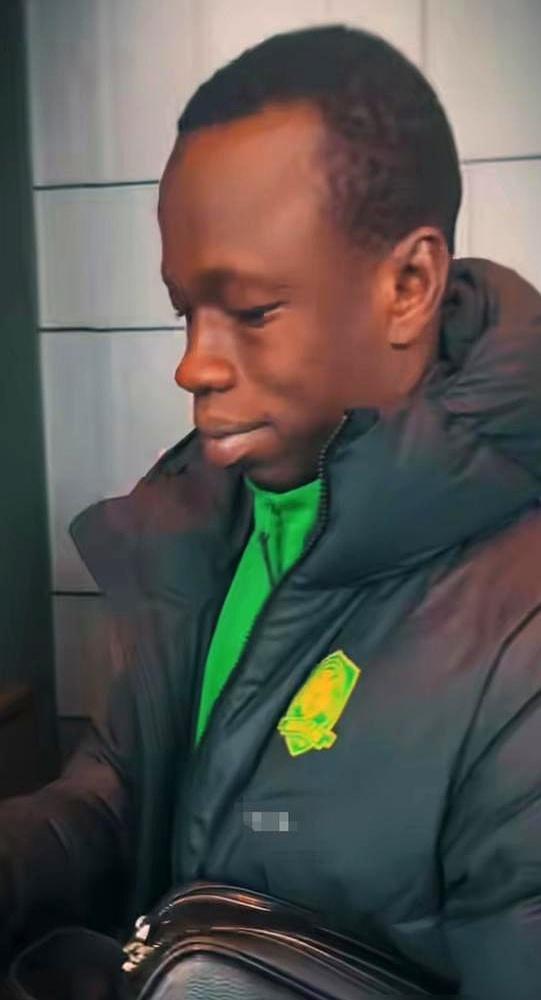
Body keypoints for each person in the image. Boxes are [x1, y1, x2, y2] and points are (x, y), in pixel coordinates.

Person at [1, 24, 541, 999]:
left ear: (408, 286)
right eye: (185, 311)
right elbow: (127, 789)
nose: (191, 366)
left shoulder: (522, 628)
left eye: (250, 311)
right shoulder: (202, 519)